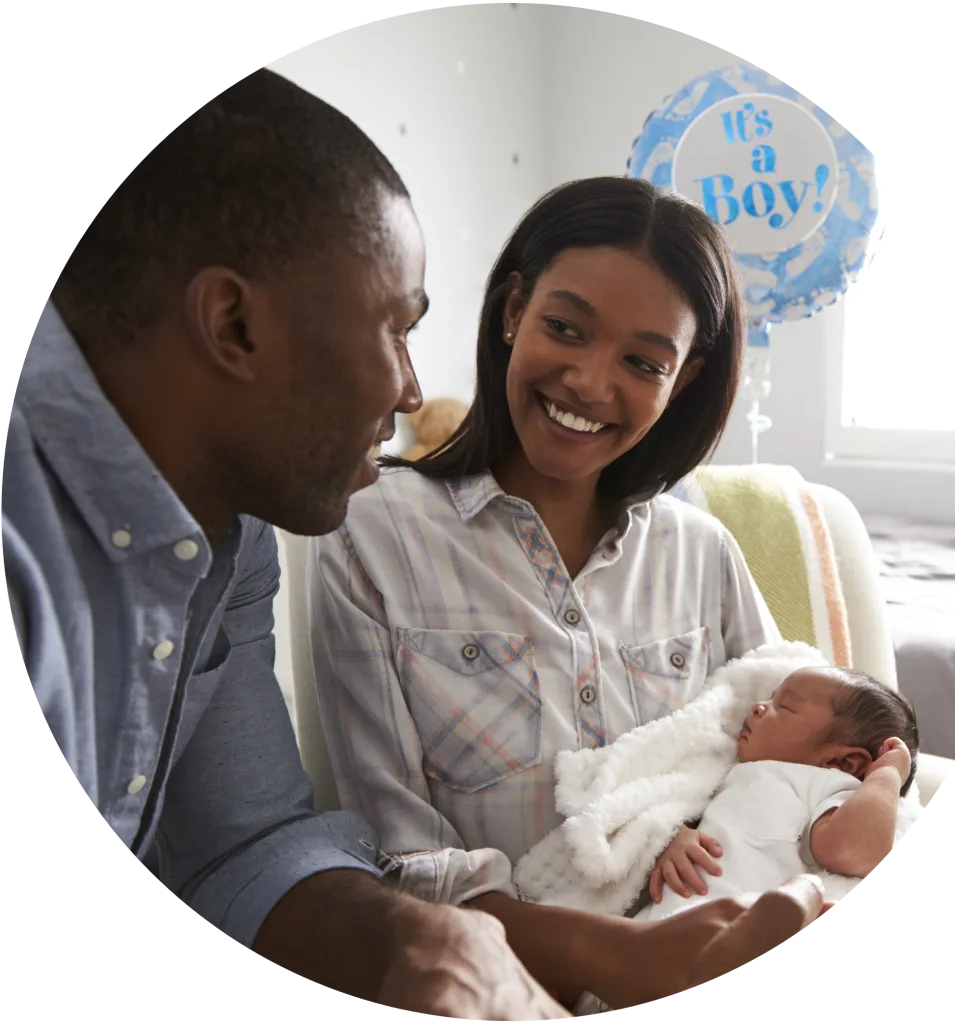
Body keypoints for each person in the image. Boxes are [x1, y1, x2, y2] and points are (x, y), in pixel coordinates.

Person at [1, 65, 570, 1021]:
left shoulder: (232, 527)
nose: (406, 393)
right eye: (396, 327)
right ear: (233, 324)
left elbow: (245, 842)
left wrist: (416, 938)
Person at [307, 174, 831, 1014]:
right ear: (512, 310)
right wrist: (611, 955)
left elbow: (811, 748)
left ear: (684, 378)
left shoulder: (702, 553)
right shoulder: (374, 535)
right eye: (564, 328)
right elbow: (401, 854)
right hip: (499, 991)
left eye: (642, 362)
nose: (590, 383)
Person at [642, 666, 919, 916]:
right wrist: (676, 836)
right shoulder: (726, 770)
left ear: (842, 762)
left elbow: (853, 852)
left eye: (783, 706)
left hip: (739, 930)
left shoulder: (829, 788)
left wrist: (887, 774)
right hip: (667, 924)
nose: (758, 706)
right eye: (770, 697)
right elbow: (678, 807)